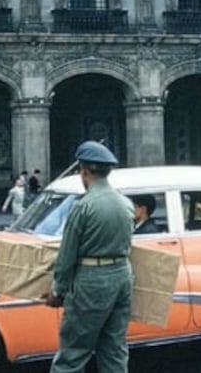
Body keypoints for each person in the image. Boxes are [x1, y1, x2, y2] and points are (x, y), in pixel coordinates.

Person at [44, 140, 134, 373]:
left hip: (92, 281)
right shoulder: (125, 204)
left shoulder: (83, 206)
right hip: (122, 277)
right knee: (114, 350)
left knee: (73, 353)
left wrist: (58, 289)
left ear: (83, 171)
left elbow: (67, 254)